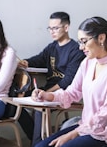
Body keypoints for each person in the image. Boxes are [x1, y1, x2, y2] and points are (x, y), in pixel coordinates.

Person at [33, 16, 107, 147]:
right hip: (89, 128)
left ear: (101, 38)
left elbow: (105, 115)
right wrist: (49, 96)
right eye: (80, 42)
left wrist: (72, 134)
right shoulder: (88, 62)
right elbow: (72, 93)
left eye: (84, 41)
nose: (81, 47)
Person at [17, 11, 85, 146]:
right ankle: (37, 140)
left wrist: (48, 92)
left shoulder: (75, 50)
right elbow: (39, 59)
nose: (52, 32)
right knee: (19, 102)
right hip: (49, 89)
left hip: (65, 92)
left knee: (39, 109)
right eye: (50, 28)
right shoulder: (52, 47)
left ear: (66, 28)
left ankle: (36, 143)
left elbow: (67, 81)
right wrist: (25, 62)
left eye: (55, 28)